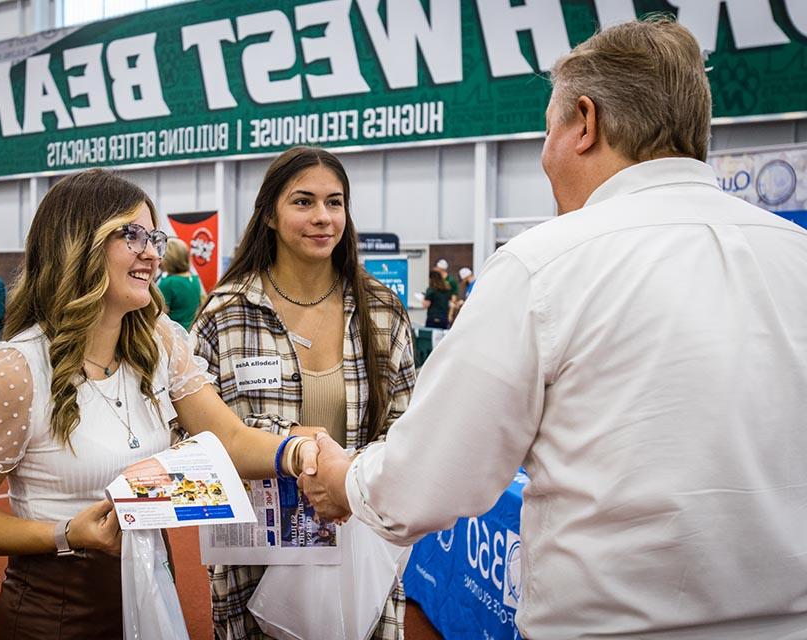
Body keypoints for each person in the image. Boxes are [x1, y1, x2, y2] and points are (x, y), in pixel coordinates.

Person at [302, 17, 807, 639]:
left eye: (548, 131)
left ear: (585, 123)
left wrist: (341, 480)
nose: (545, 158)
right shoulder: (795, 253)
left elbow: (427, 479)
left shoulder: (546, 264)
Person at [0, 169, 319, 639]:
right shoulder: (16, 369)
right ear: (78, 243)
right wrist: (65, 534)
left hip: (152, 591)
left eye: (154, 237)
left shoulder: (159, 345)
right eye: (131, 235)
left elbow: (229, 438)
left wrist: (296, 454)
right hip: (55, 612)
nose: (153, 253)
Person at [191, 146, 416, 640]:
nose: (322, 217)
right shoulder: (225, 315)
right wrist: (289, 445)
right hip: (254, 560)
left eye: (334, 203)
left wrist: (350, 479)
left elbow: (407, 432)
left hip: (357, 549)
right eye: (303, 202)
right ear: (269, 214)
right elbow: (189, 436)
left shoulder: (382, 311)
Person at [156, 237, 203, 330]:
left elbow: (160, 315)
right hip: (189, 332)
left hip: (173, 334)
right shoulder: (195, 279)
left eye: (161, 255)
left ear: (169, 258)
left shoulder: (168, 283)